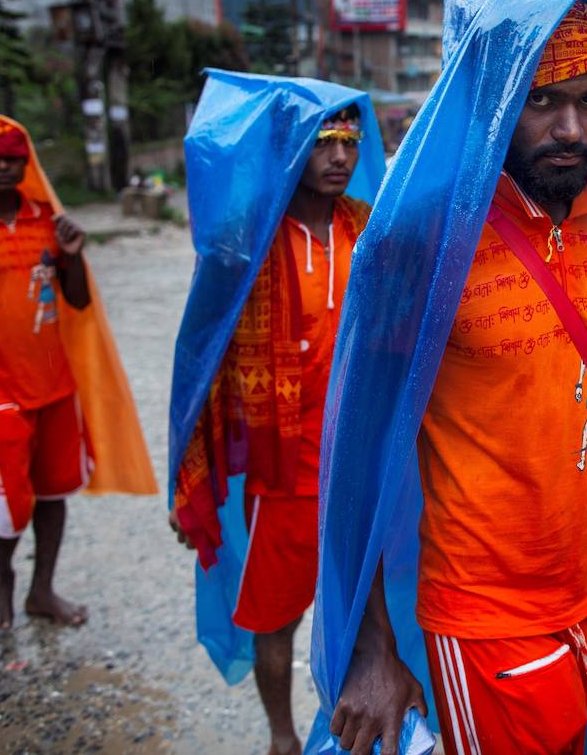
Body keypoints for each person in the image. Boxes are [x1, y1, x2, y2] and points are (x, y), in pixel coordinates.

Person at [311, 0, 587, 755]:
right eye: (544, 100)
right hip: (483, 606)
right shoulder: (421, 236)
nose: (573, 128)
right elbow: (358, 446)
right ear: (492, 99)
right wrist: (369, 644)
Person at [167, 76, 385, 755]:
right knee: (276, 618)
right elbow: (201, 359)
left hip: (358, 462)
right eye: (325, 141)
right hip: (284, 468)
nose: (340, 156)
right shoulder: (247, 239)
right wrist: (187, 476)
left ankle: (358, 725)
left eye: (351, 141)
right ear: (291, 145)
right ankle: (283, 734)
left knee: (368, 614)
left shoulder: (369, 226)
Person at [0, 115, 155, 628]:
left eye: (14, 159)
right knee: (10, 496)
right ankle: (4, 579)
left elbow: (77, 300)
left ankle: (43, 589)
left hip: (52, 378)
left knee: (54, 489)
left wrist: (74, 257)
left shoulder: (45, 218)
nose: (3, 167)